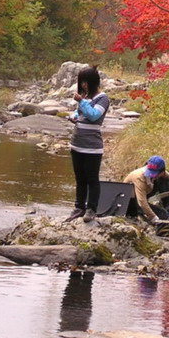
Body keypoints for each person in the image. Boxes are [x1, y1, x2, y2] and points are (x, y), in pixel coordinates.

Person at [66, 66, 110, 223]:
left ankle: (91, 209)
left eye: (86, 82)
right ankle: (79, 207)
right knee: (80, 179)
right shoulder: (86, 97)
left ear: (93, 81)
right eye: (81, 82)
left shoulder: (102, 98)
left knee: (92, 179)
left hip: (92, 147)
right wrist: (73, 116)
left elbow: (93, 115)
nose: (83, 85)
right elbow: (80, 113)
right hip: (77, 144)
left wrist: (81, 101)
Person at [123, 155, 169, 225]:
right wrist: (153, 217)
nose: (152, 175)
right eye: (150, 172)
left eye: (154, 173)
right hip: (132, 201)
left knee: (165, 180)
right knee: (161, 214)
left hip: (146, 194)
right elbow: (141, 202)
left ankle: (168, 206)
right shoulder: (139, 177)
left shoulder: (162, 173)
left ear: (162, 171)